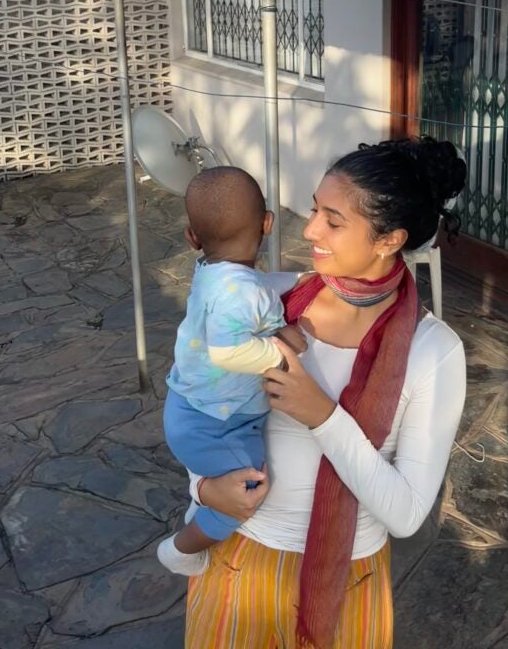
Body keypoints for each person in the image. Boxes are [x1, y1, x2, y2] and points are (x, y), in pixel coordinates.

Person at [183, 136, 468, 649]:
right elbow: (196, 405)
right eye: (315, 209)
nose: (310, 229)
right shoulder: (266, 300)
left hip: (345, 584)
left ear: (388, 239)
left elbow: (405, 514)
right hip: (238, 561)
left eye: (333, 221)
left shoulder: (433, 351)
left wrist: (323, 416)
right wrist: (201, 489)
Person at [157, 166, 305, 577]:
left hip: (194, 409)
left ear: (192, 239)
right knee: (248, 492)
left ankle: (201, 497)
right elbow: (227, 351)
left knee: (225, 477)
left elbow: (254, 294)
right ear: (268, 223)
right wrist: (279, 349)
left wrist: (302, 283)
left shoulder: (214, 272)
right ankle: (181, 549)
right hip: (215, 424)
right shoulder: (242, 291)